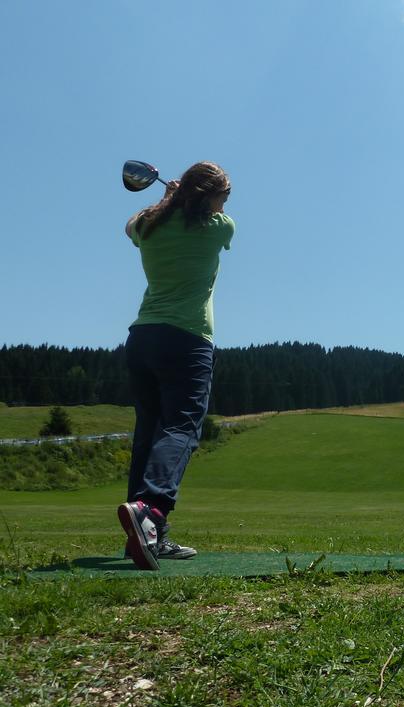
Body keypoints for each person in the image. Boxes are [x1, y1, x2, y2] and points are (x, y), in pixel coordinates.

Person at [117, 161, 234, 570]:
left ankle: (146, 535)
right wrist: (183, 198)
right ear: (212, 197)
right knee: (182, 427)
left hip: (142, 339)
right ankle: (150, 511)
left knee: (149, 432)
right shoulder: (220, 228)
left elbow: (130, 224)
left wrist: (168, 197)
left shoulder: (148, 227)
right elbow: (216, 217)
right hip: (187, 341)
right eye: (225, 193)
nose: (227, 201)